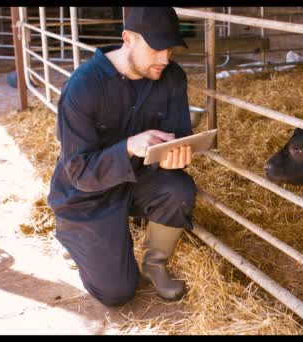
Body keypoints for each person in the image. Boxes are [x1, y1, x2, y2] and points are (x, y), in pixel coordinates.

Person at [48, 7, 197, 306]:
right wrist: (129, 146)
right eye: (156, 49)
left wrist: (174, 156)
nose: (165, 58)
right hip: (87, 194)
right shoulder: (83, 87)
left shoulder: (172, 77)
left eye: (169, 48)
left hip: (139, 179)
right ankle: (74, 238)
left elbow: (178, 135)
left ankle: (155, 264)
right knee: (117, 294)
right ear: (128, 39)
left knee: (179, 189)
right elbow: (79, 172)